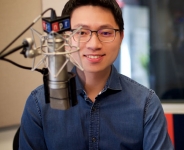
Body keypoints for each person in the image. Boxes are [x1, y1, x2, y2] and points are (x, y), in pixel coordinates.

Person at [19, 0, 174, 149]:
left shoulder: (146, 104)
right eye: (81, 33)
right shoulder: (38, 104)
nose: (94, 45)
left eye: (106, 33)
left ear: (121, 37)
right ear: (64, 39)